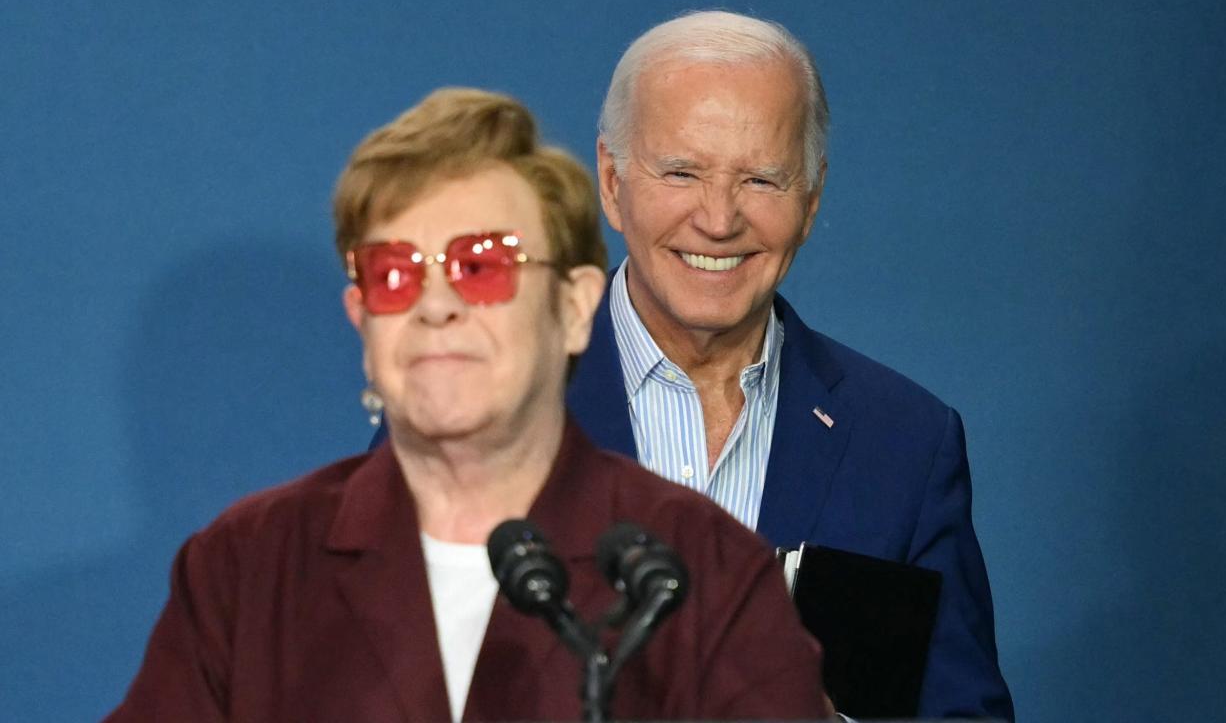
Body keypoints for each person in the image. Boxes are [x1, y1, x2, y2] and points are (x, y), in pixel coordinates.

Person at [106, 89, 830, 722]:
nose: (435, 307)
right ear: (362, 322)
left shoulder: (699, 569)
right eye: (393, 275)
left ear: (575, 307)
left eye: (479, 266)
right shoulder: (249, 566)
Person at [564, 11, 1016, 719]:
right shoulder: (485, 414)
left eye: (761, 181)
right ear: (612, 182)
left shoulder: (903, 443)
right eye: (681, 171)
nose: (718, 219)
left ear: (811, 199)